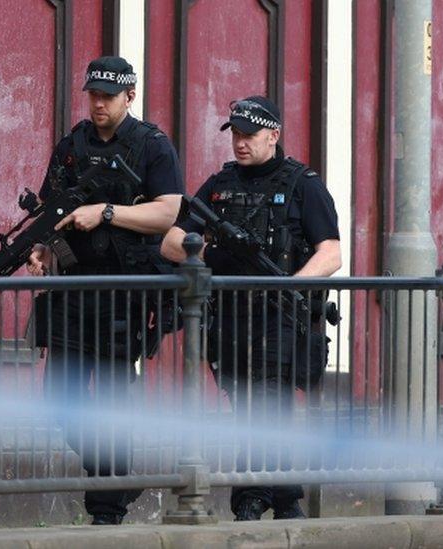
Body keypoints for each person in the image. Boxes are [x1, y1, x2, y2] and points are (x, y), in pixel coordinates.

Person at [161, 96, 341, 521]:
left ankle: (250, 497)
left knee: (268, 403)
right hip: (229, 315)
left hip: (279, 313)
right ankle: (287, 499)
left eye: (249, 135)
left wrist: (294, 288)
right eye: (235, 135)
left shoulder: (304, 184)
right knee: (244, 404)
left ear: (273, 136)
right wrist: (213, 254)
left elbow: (331, 253)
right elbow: (172, 242)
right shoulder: (218, 185)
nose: (240, 144)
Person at [26, 56, 183, 525]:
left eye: (108, 96)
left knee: (113, 400)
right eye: (93, 94)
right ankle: (117, 480)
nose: (98, 103)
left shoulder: (152, 145)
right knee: (61, 403)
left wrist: (108, 211)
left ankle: (106, 511)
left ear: (129, 97)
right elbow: (52, 210)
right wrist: (42, 250)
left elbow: (169, 212)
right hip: (74, 289)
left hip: (125, 292)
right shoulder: (72, 146)